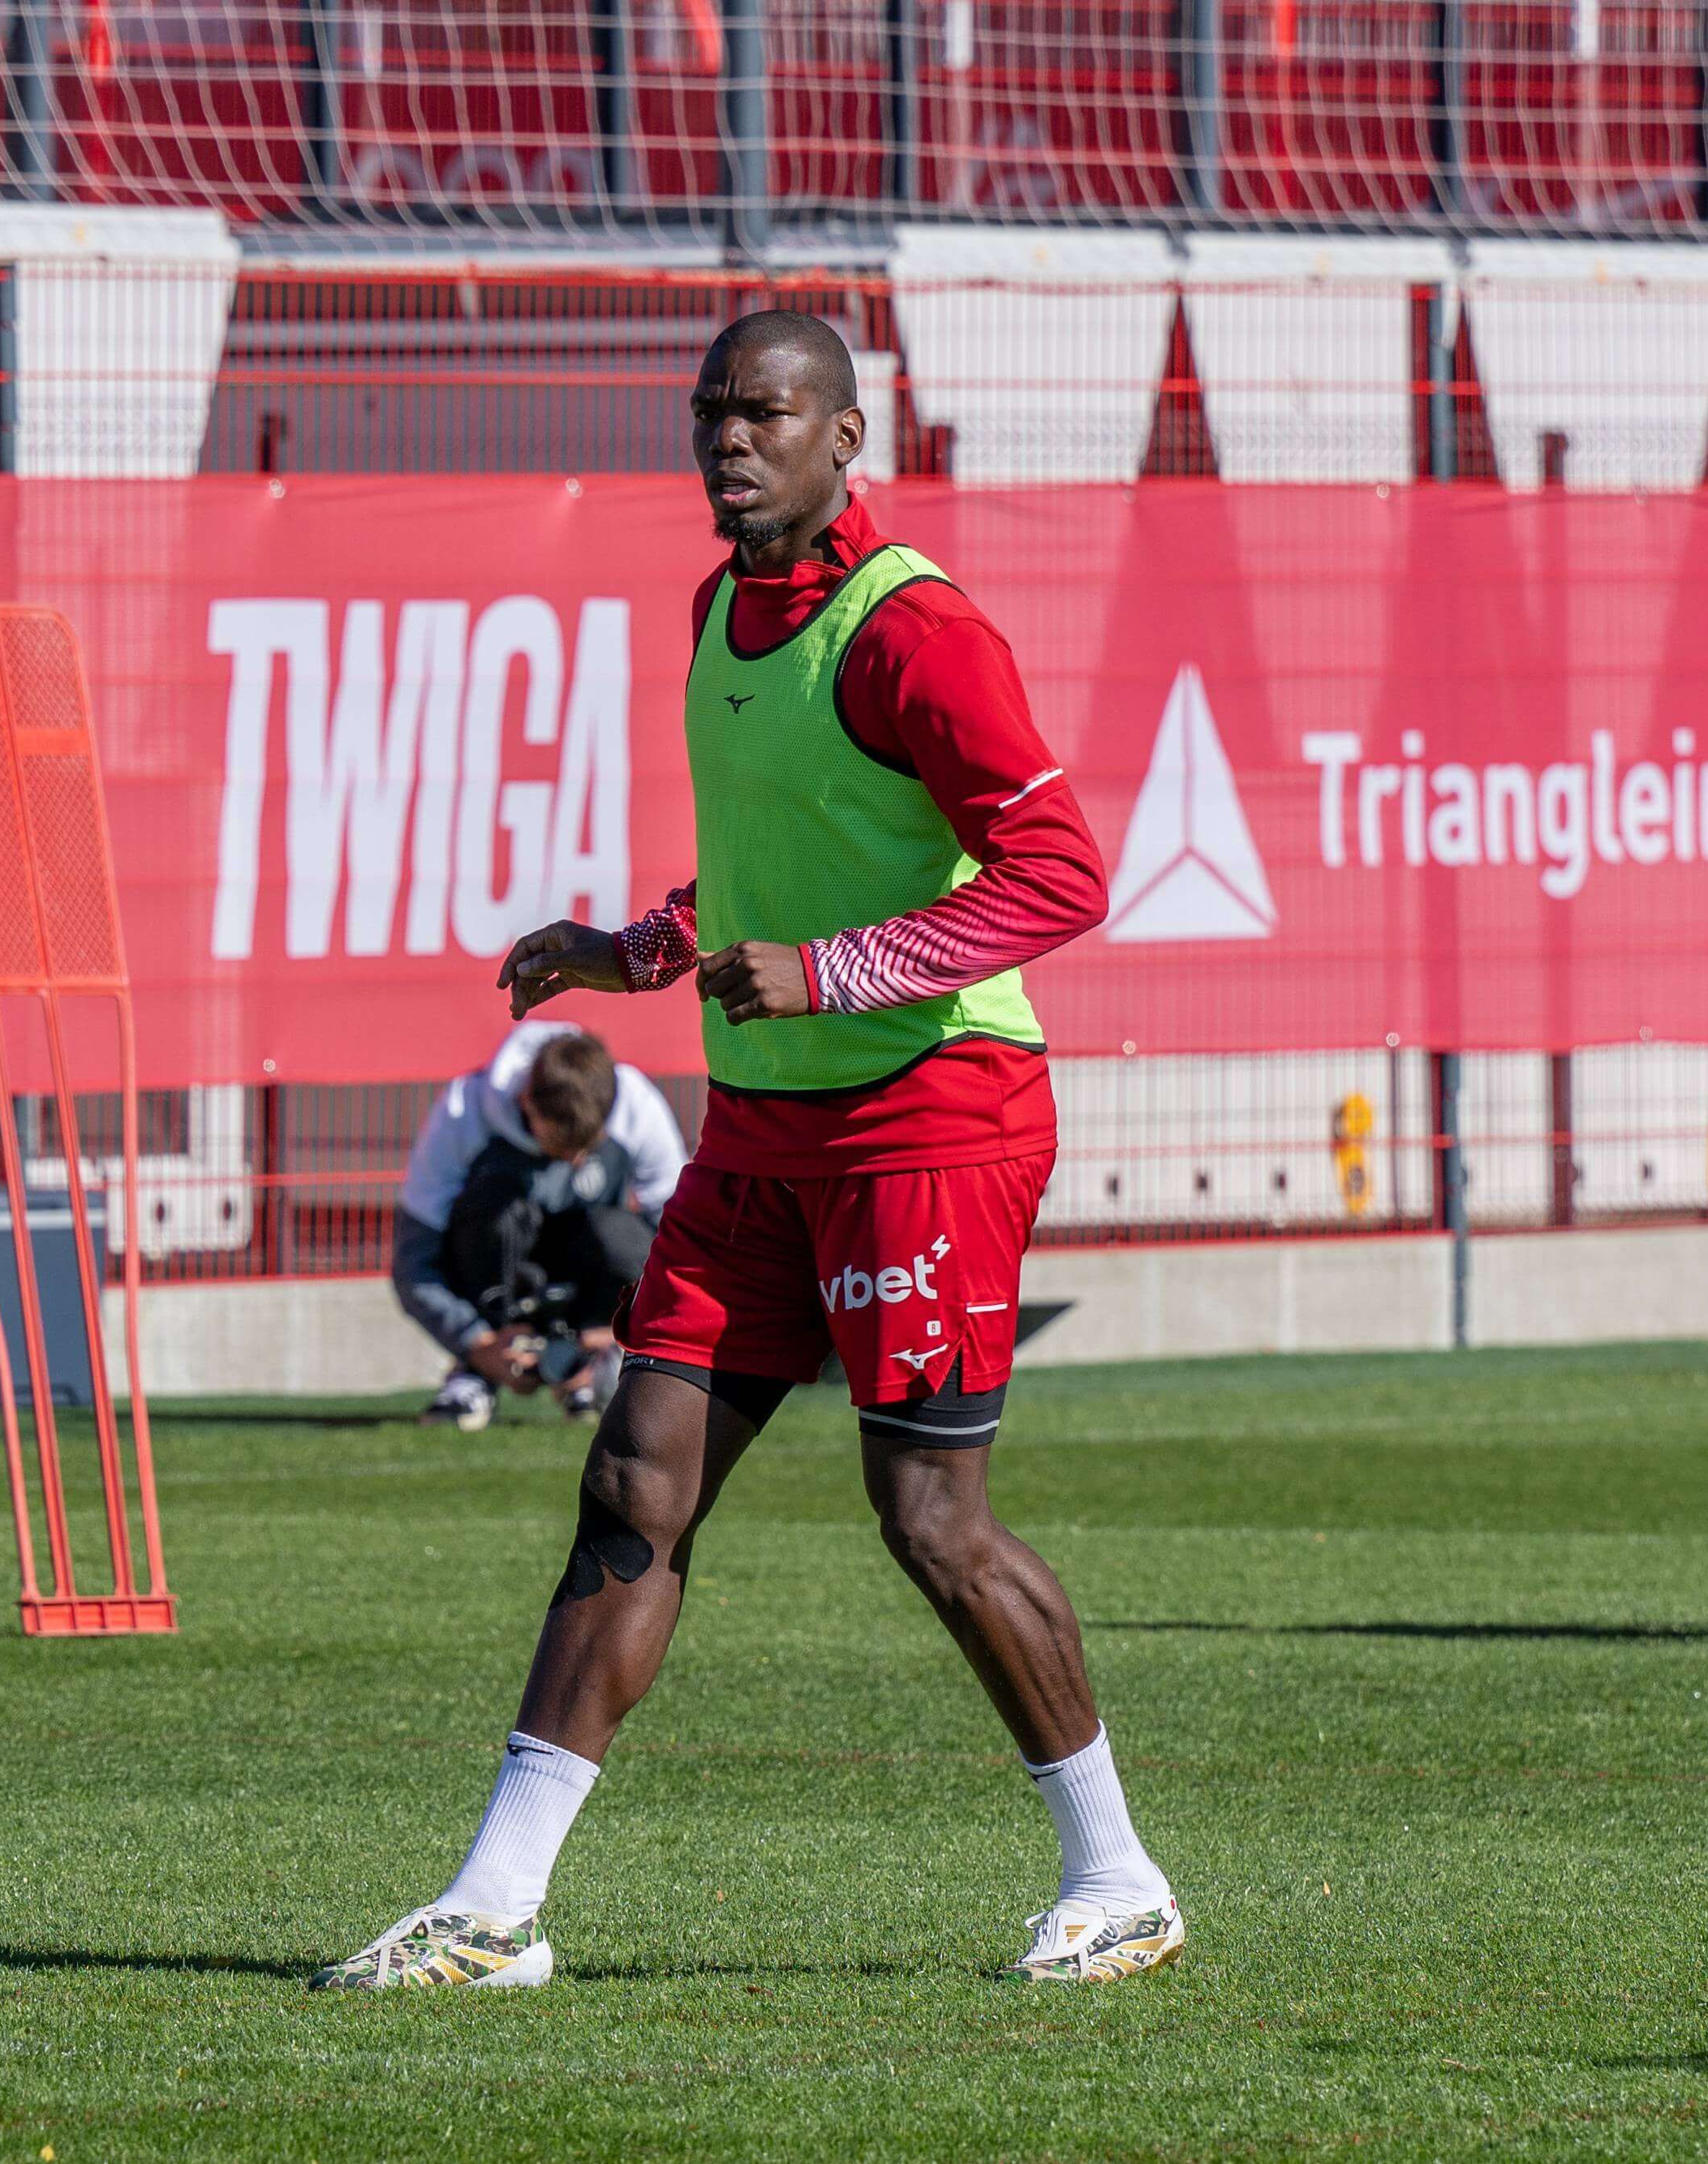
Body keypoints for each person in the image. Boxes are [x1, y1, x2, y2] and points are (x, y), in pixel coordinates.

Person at [312, 311, 1181, 1991]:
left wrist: (839, 973)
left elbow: (1059, 873)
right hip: (766, 1119)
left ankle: (1118, 1869)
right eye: (711, 410)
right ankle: (492, 1907)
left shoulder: (910, 630)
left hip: (931, 1114)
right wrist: (631, 953)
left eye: (766, 413)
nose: (729, 438)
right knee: (633, 1479)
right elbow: (771, 889)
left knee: (929, 1516)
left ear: (845, 438)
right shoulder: (719, 610)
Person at [394, 1025, 686, 1430]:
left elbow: (680, 1243)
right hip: (495, 1288)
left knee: (622, 1235)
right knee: (499, 1208)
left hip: (590, 1298)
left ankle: (593, 1370)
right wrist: (478, 1343)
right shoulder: (465, 1111)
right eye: (562, 1147)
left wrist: (622, 1333)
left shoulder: (636, 1104)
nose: (576, 1160)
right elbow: (414, 1262)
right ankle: (476, 1374)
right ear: (526, 1102)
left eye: (586, 1147)